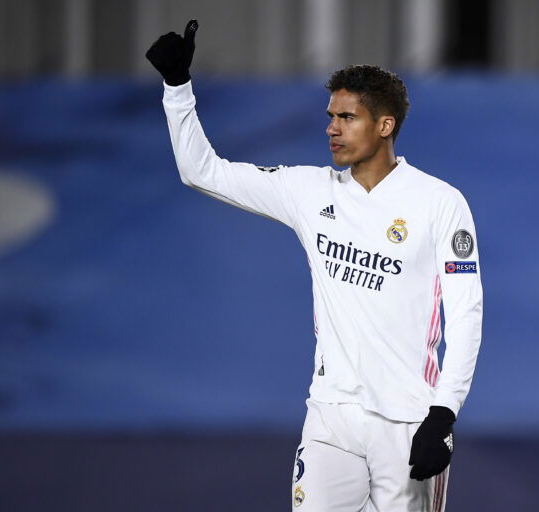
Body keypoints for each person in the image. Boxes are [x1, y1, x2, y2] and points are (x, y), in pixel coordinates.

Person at [146, 20, 483, 512]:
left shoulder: (439, 203)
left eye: (347, 117)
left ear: (384, 125)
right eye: (331, 116)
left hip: (408, 420)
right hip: (331, 416)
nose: (331, 128)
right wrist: (178, 89)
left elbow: (466, 313)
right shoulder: (309, 191)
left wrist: (443, 413)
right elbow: (203, 171)